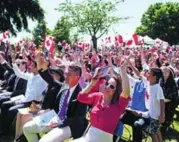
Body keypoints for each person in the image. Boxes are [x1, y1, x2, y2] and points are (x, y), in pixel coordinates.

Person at [23, 64, 88, 142]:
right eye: (66, 73)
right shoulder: (63, 86)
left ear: (77, 78)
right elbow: (49, 79)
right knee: (27, 128)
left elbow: (78, 118)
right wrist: (40, 65)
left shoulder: (81, 94)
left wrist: (60, 123)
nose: (66, 76)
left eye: (69, 75)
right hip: (55, 118)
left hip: (69, 125)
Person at [71, 60, 130, 142]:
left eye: (112, 87)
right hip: (88, 137)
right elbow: (81, 97)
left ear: (116, 91)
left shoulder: (119, 104)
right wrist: (92, 83)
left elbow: (126, 92)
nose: (107, 87)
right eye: (107, 84)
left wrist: (123, 71)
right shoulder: (98, 96)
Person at [0, 53, 47, 135]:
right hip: (24, 100)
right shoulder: (30, 75)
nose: (30, 67)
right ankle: (2, 127)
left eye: (32, 66)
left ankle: (7, 130)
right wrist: (14, 63)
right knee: (4, 105)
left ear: (37, 68)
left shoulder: (43, 80)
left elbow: (33, 96)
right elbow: (19, 74)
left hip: (32, 104)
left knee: (11, 110)